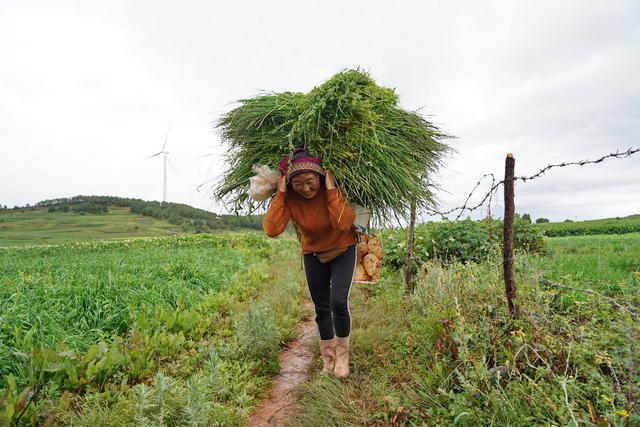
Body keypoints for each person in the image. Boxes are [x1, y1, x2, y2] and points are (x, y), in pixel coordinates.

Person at [263, 146, 357, 378]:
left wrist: (331, 189)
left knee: (338, 301)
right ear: (289, 184)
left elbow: (344, 224)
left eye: (310, 181)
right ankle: (329, 359)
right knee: (322, 308)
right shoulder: (291, 198)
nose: (305, 188)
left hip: (343, 249)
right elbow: (272, 229)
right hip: (313, 254)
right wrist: (281, 194)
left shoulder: (332, 191)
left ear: (320, 176)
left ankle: (343, 358)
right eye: (298, 184)